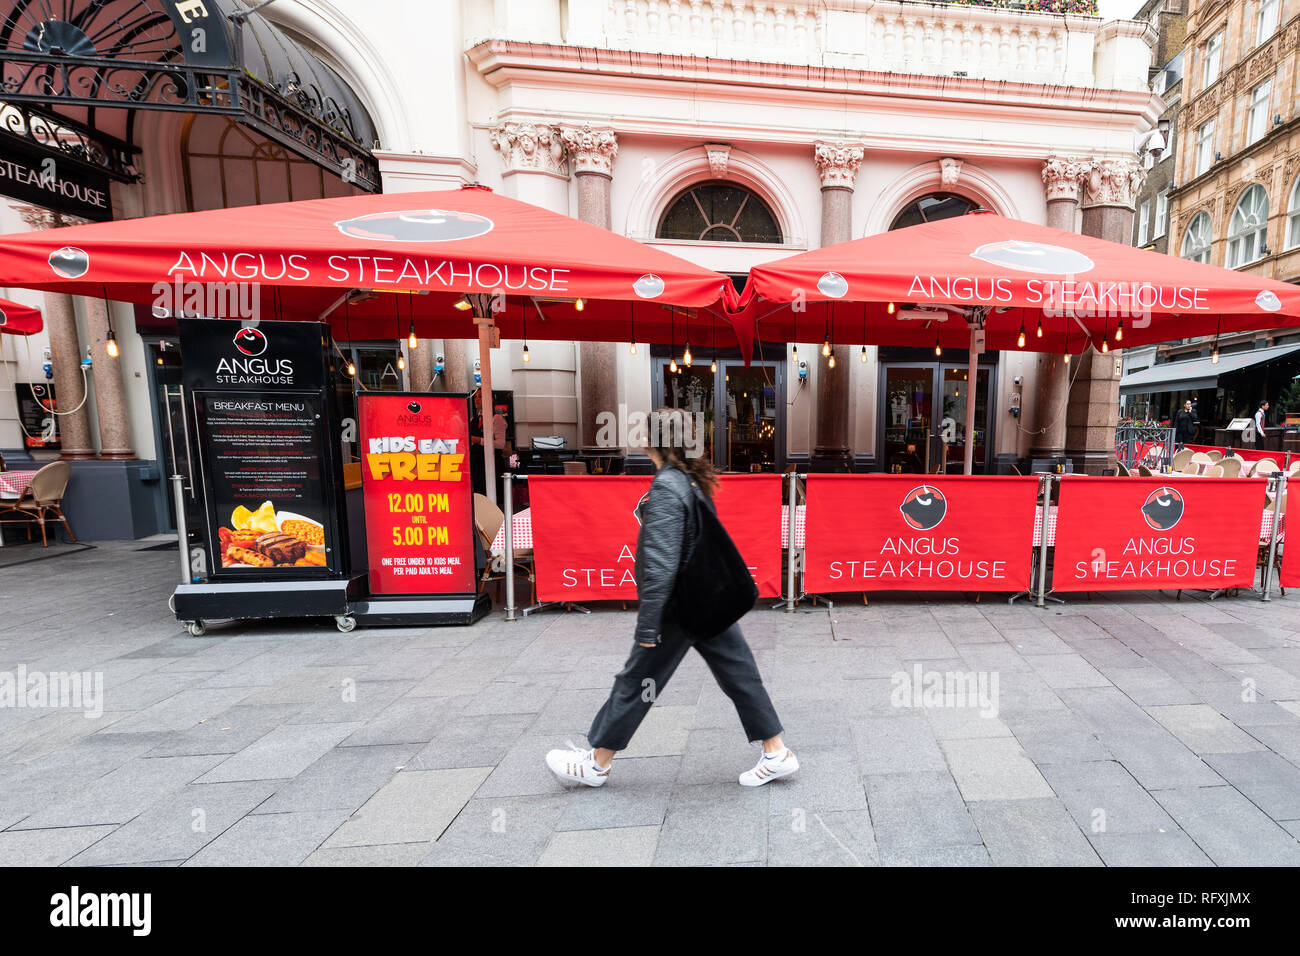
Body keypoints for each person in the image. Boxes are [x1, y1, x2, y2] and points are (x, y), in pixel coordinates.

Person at [545, 408, 796, 789]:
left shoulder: (666, 487)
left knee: (636, 681)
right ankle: (776, 752)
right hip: (707, 603)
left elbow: (661, 563)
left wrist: (649, 625)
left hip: (678, 609)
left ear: (650, 442)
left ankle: (596, 764)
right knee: (740, 674)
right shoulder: (690, 480)